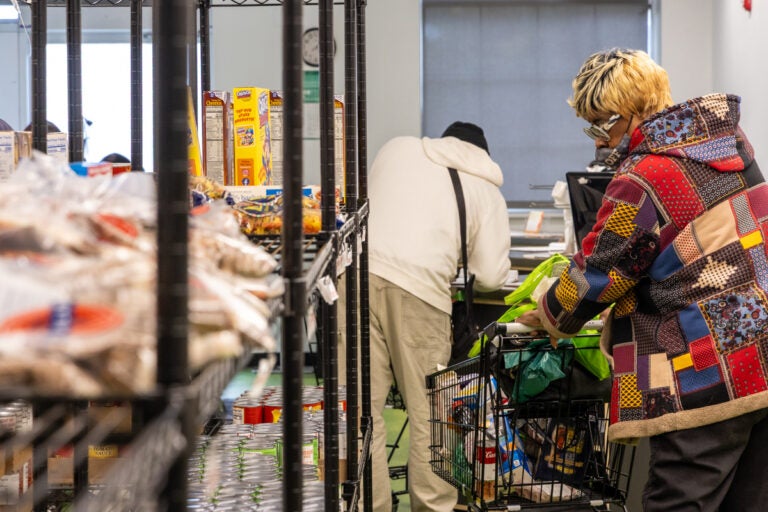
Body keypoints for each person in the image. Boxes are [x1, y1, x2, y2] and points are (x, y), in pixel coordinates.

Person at [517, 48, 768, 511]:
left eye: (599, 125)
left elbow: (601, 272)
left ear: (631, 111)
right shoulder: (729, 146)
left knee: (679, 500)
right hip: (761, 357)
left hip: (705, 369)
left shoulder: (645, 176)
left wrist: (549, 310)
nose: (595, 142)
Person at [368, 121, 511, 511]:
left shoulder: (396, 147)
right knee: (431, 418)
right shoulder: (485, 188)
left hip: (353, 278)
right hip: (419, 293)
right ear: (483, 156)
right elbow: (492, 275)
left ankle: (368, 504)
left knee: (361, 413)